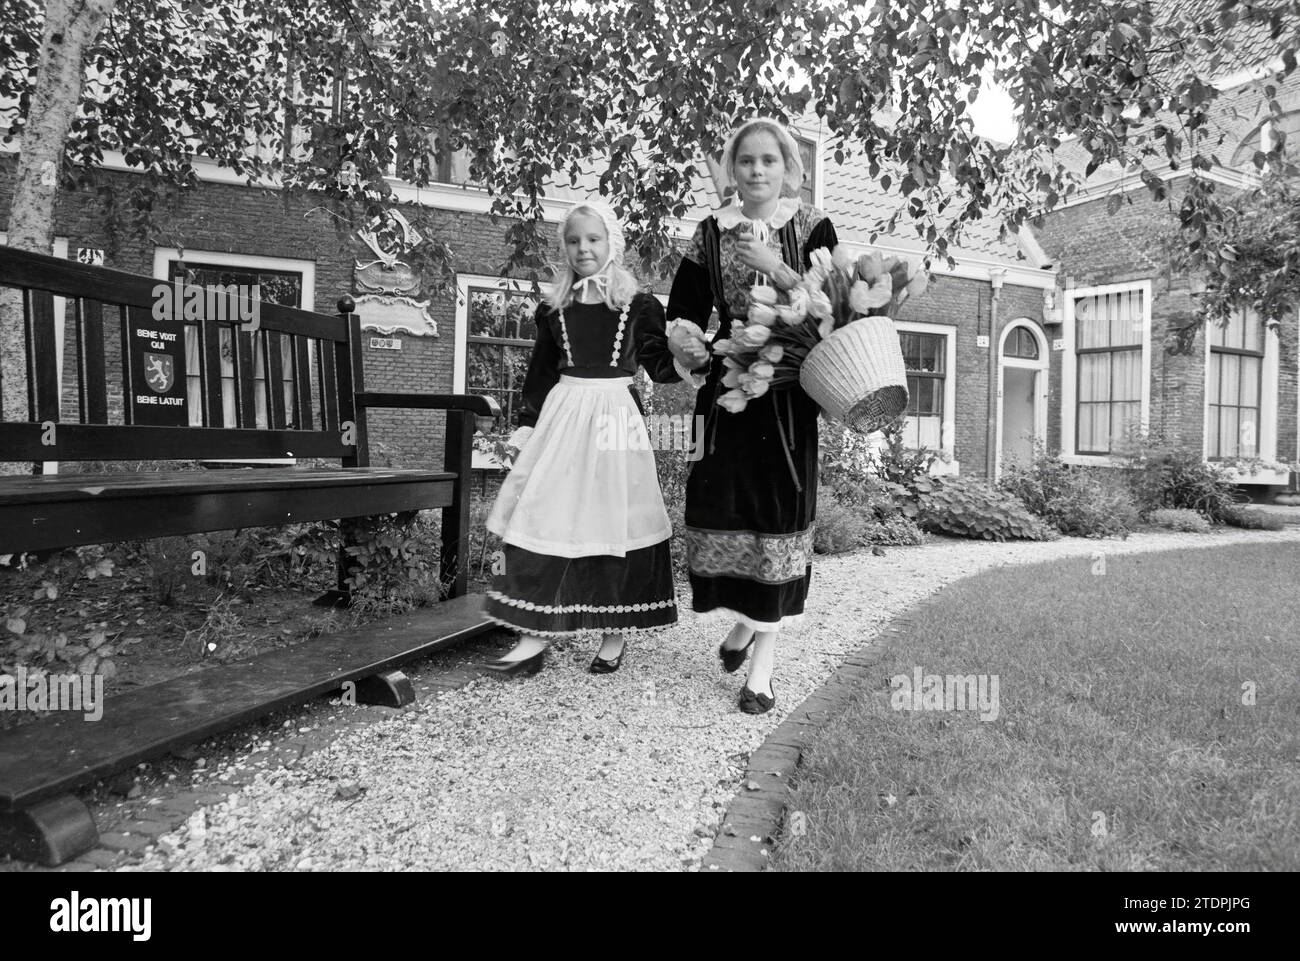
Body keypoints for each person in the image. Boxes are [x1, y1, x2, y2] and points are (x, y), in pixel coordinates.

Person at [483, 200, 705, 675]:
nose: (583, 248)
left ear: (612, 245)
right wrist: (527, 424)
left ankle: (613, 631)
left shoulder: (638, 303)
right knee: (542, 511)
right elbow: (541, 374)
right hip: (563, 416)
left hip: (614, 417)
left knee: (614, 518)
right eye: (573, 240)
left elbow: (659, 365)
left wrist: (688, 356)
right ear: (564, 247)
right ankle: (531, 634)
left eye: (593, 239)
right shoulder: (554, 308)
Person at [666, 117, 838, 714]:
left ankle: (761, 666)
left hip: (787, 395)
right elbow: (684, 310)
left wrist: (775, 265)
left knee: (778, 517)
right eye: (745, 162)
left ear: (789, 168)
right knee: (722, 509)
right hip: (727, 394)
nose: (757, 171)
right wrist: (684, 340)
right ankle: (741, 624)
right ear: (733, 171)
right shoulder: (709, 233)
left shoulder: (813, 226)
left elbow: (832, 309)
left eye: (769, 160)